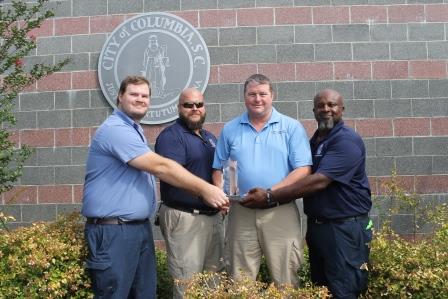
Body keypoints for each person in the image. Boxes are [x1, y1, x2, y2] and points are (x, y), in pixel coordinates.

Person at [81, 76, 229, 299]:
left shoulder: (134, 129)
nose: (140, 99)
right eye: (133, 94)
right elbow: (161, 167)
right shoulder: (115, 130)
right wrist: (206, 190)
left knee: (144, 294)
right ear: (119, 96)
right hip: (113, 232)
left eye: (145, 95)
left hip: (136, 228)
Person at [243, 89, 373, 299]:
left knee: (345, 290)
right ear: (314, 110)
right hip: (319, 228)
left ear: (342, 109)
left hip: (345, 229)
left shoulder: (346, 141)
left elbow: (319, 181)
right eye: (321, 106)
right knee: (321, 290)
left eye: (332, 105)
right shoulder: (315, 141)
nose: (326, 109)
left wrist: (270, 196)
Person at [212, 74, 312, 286]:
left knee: (287, 278)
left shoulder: (291, 127)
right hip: (241, 212)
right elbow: (219, 168)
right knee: (240, 280)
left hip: (280, 210)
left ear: (272, 96)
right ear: (244, 97)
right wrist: (221, 196)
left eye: (262, 94)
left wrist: (269, 193)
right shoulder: (230, 129)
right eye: (252, 94)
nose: (257, 99)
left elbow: (303, 169)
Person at [154, 87, 225, 298]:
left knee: (216, 285)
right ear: (179, 108)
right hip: (186, 218)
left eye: (199, 104)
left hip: (213, 218)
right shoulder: (171, 137)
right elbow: (173, 175)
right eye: (188, 105)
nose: (195, 108)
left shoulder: (210, 137)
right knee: (188, 286)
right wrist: (206, 192)